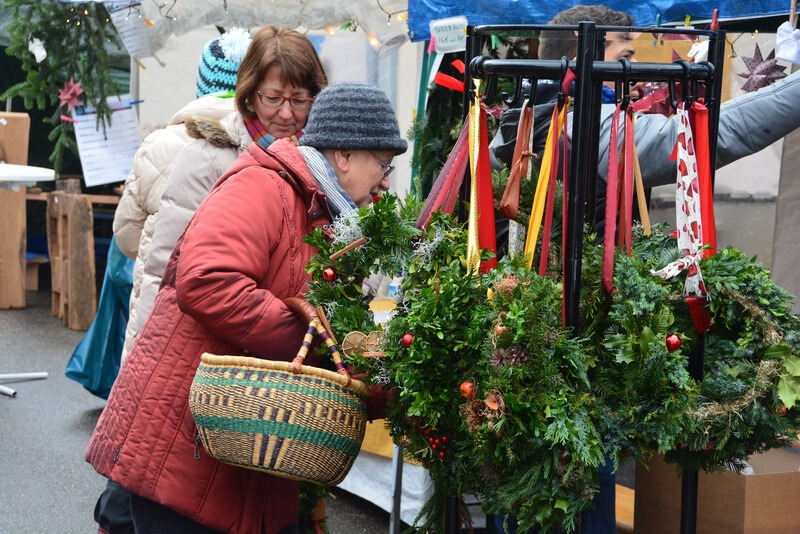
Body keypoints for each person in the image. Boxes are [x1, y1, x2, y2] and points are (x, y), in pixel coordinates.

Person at [84, 82, 406, 533]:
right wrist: (309, 345)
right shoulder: (264, 186)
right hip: (185, 449)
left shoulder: (324, 215)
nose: (387, 180)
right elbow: (206, 280)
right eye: (383, 164)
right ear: (344, 156)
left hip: (237, 451)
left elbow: (327, 328)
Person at [121, 25, 327, 359]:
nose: (287, 113)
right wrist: (149, 356)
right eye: (273, 98)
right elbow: (164, 273)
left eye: (300, 100)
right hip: (205, 353)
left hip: (287, 361)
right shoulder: (207, 157)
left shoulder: (318, 164)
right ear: (249, 94)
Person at [114, 28, 252, 361]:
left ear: (201, 84)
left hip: (157, 316)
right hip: (232, 327)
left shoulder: (159, 144)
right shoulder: (265, 150)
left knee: (148, 404)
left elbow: (126, 236)